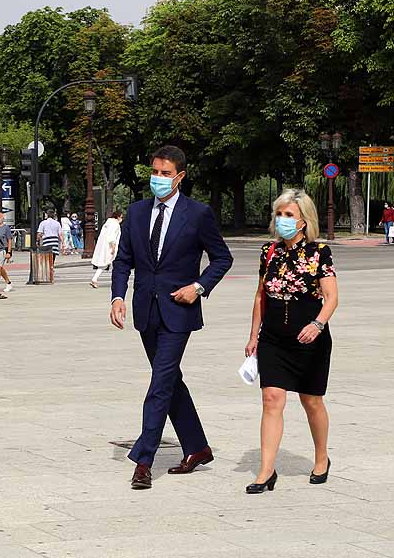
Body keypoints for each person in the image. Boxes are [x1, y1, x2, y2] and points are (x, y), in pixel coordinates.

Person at [109, 145, 234, 491]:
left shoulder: (198, 214)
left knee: (161, 382)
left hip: (179, 312)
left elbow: (222, 258)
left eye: (166, 173)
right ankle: (197, 447)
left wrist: (199, 286)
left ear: (180, 176)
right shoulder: (135, 213)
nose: (158, 179)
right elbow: (123, 261)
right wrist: (118, 296)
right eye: (155, 172)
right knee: (170, 380)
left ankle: (144, 460)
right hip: (145, 310)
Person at [243, 189, 339, 494]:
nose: (282, 220)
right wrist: (253, 336)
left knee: (311, 401)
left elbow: (332, 298)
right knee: (271, 400)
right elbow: (260, 296)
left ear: (303, 221)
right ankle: (265, 471)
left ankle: (322, 457)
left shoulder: (319, 252)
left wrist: (318, 323)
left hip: (309, 338)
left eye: (289, 215)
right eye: (279, 214)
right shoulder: (269, 252)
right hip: (273, 337)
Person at [90, 210, 123, 289]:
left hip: (104, 246)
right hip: (110, 247)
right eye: (121, 217)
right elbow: (112, 237)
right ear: (118, 217)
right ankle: (116, 280)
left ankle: (95, 279)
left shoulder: (108, 223)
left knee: (104, 264)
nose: (122, 219)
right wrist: (113, 248)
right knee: (114, 263)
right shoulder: (115, 224)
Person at [0, 212, 14, 293]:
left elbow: (9, 240)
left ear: (3, 218)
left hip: (2, 250)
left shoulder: (6, 228)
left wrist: (9, 252)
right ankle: (8, 282)